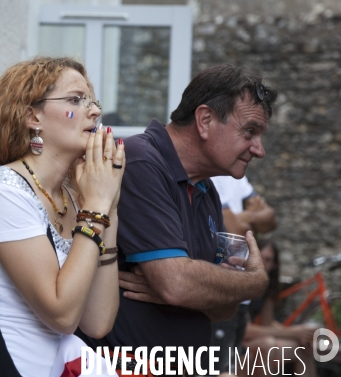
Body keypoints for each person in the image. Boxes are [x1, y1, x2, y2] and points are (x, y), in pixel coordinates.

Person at [80, 64, 277, 375]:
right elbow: (176, 284)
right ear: (205, 120)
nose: (259, 150)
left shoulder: (205, 188)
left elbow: (223, 309)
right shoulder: (141, 160)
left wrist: (196, 285)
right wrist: (253, 282)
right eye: (249, 131)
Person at [0, 57, 125, 376]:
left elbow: (96, 323)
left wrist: (108, 206)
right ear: (33, 116)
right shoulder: (1, 189)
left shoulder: (75, 198)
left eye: (92, 102)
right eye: (75, 100)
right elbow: (62, 316)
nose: (95, 111)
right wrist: (96, 207)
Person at [209, 175, 277, 375]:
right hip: (223, 291)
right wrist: (252, 218)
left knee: (231, 369)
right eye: (248, 140)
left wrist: (245, 218)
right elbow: (236, 231)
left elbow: (271, 220)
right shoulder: (213, 176)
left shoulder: (237, 177)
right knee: (222, 371)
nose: (258, 150)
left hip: (239, 297)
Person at [241, 240, 317, 377]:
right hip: (237, 345)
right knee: (267, 345)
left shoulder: (266, 289)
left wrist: (302, 334)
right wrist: (293, 333)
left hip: (251, 342)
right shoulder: (242, 285)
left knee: (302, 349)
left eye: (268, 259)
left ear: (274, 265)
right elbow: (245, 331)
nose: (263, 262)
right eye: (260, 257)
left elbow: (267, 323)